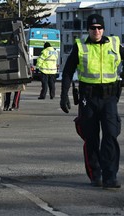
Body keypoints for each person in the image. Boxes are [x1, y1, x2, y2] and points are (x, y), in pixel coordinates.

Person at [60, 14, 124, 189]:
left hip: (109, 97)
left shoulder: (114, 44)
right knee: (91, 138)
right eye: (93, 28)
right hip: (88, 98)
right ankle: (95, 174)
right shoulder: (80, 47)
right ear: (88, 29)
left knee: (111, 134)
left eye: (99, 28)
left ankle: (110, 176)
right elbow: (67, 72)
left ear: (103, 29)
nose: (96, 31)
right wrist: (64, 95)